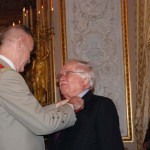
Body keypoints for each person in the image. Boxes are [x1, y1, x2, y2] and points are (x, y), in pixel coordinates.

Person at [0, 25, 84, 150]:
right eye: (30, 52)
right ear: (19, 45)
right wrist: (70, 106)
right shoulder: (7, 76)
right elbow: (43, 124)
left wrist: (57, 106)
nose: (29, 60)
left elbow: (22, 115)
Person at [47, 59, 124, 150]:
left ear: (85, 80)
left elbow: (111, 146)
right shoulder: (57, 109)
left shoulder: (102, 106)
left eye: (68, 73)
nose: (61, 78)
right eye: (60, 76)